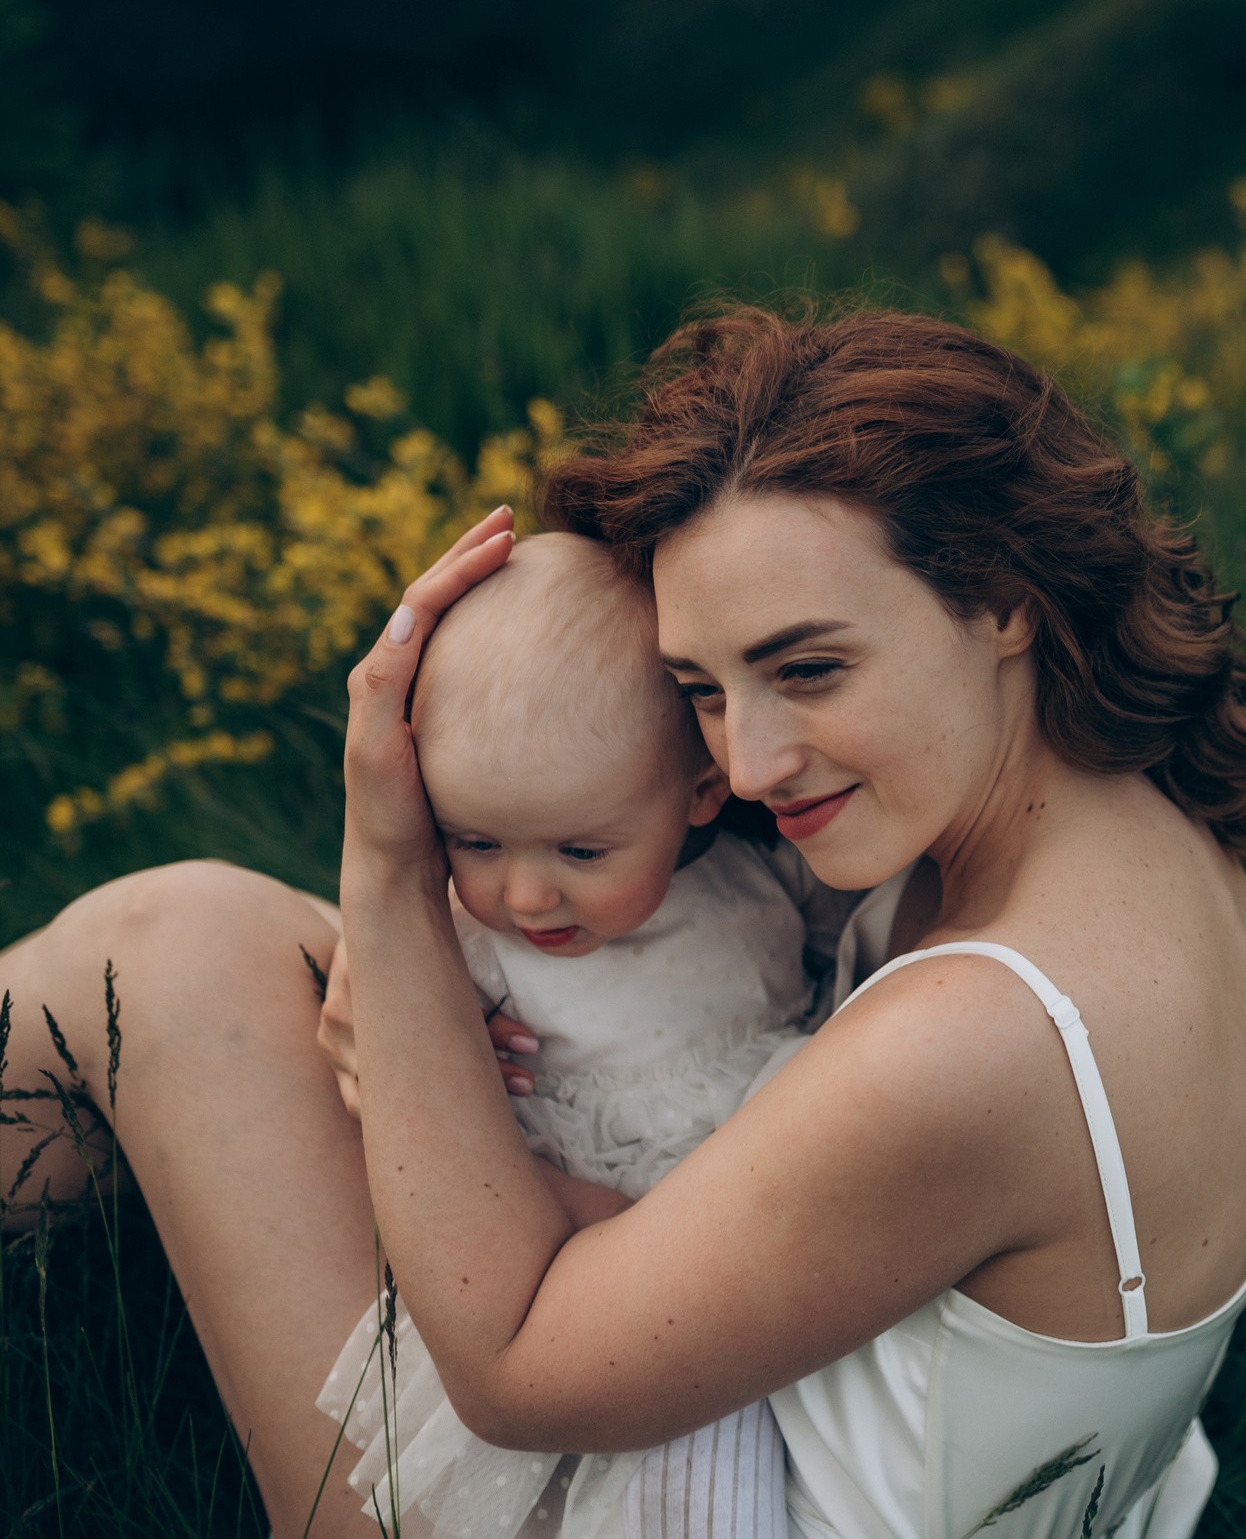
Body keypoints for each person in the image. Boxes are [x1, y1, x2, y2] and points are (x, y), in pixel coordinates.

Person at [2, 307, 1246, 1538]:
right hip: (831, 1416)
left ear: (1005, 602)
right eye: (700, 686)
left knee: (172, 944)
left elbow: (515, 1373)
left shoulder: (980, 1037)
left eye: (809, 667)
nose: (746, 763)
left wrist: (394, 879)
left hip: (694, 1489)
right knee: (250, 943)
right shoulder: (1132, 823)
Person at [318, 530, 851, 1538]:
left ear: (702, 791)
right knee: (671, 1461)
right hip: (564, 1263)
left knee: (750, 1430)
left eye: (581, 849)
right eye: (477, 840)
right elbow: (436, 1129)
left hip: (755, 1254)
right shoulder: (472, 944)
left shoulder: (766, 879)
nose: (524, 893)